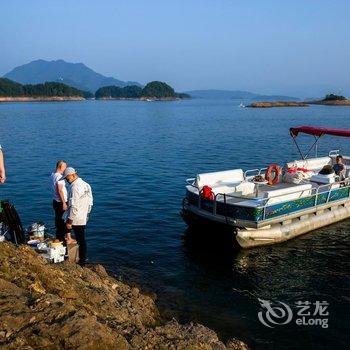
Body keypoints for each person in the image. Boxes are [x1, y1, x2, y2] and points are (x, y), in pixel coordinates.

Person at [62, 167, 93, 266]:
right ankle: (82, 260)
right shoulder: (86, 185)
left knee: (80, 240)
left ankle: (81, 261)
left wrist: (69, 222)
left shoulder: (74, 187)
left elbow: (74, 206)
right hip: (83, 216)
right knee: (82, 239)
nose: (67, 180)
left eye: (67, 178)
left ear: (73, 175)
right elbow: (90, 203)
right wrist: (87, 215)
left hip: (75, 218)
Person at [50, 160, 68, 242]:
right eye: (65, 167)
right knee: (62, 220)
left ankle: (59, 236)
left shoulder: (53, 175)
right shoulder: (59, 177)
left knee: (58, 219)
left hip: (55, 201)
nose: (66, 168)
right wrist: (64, 203)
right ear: (61, 167)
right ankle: (62, 238)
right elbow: (60, 190)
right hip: (61, 201)